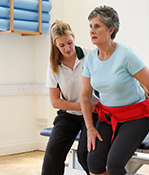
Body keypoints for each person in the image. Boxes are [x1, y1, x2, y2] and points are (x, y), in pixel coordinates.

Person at [80, 5, 149, 175]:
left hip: (136, 118)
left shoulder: (125, 54)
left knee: (114, 164)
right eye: (90, 26)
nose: (92, 31)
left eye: (97, 26)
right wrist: (90, 127)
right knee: (94, 163)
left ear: (111, 29)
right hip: (108, 117)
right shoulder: (91, 58)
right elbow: (84, 95)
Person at [42, 19, 99, 175]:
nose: (67, 48)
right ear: (55, 45)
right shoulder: (53, 66)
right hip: (70, 115)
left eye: (70, 42)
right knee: (53, 153)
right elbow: (55, 102)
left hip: (94, 115)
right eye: (62, 45)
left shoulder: (90, 56)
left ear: (74, 37)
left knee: (85, 155)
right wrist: (83, 106)